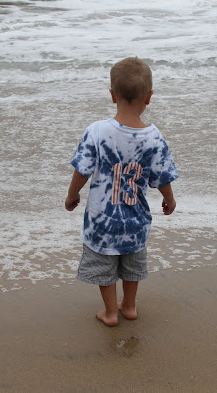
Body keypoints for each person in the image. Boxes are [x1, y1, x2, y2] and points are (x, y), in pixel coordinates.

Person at [65, 57, 179, 327]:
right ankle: (129, 306)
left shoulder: (97, 131)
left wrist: (72, 195)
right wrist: (169, 199)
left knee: (104, 267)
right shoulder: (154, 136)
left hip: (102, 221)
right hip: (135, 221)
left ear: (112, 95)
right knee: (132, 265)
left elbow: (82, 170)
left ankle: (110, 312)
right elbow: (162, 175)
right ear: (149, 97)